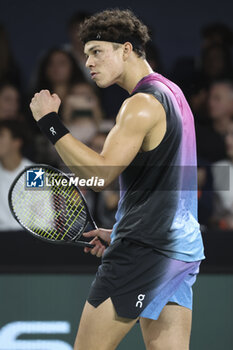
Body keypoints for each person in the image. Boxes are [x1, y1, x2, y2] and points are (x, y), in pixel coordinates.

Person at [29, 9, 205, 350]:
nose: (90, 62)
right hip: (179, 250)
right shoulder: (174, 94)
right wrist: (122, 229)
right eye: (86, 55)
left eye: (97, 51)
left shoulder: (140, 104)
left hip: (146, 250)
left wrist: (49, 122)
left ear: (126, 49)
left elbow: (99, 175)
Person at [0, 120, 32, 231]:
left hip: (28, 242)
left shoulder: (34, 174)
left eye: (1, 136)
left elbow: (45, 221)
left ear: (16, 142)